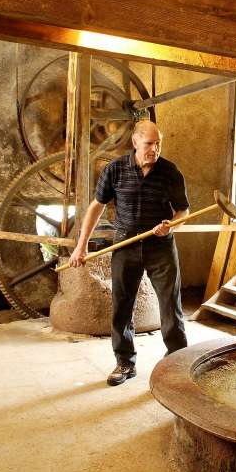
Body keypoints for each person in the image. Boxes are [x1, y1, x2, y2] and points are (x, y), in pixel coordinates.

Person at [69, 120, 189, 386]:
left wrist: (172, 225)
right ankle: (125, 362)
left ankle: (177, 362)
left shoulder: (170, 172)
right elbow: (96, 206)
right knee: (122, 306)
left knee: (171, 305)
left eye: (158, 143)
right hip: (125, 244)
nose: (154, 149)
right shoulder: (115, 170)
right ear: (135, 142)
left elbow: (183, 211)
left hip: (161, 247)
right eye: (149, 144)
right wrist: (81, 245)